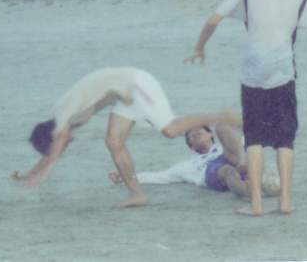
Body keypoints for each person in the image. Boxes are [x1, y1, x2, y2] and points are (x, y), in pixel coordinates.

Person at [187, 0, 307, 216]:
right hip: (283, 70)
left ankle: (255, 204)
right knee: (285, 140)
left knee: (254, 139)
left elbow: (213, 19)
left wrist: (199, 47)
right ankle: (285, 201)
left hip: (254, 72)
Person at [12, 66, 236, 208]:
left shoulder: (63, 116)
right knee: (113, 142)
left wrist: (42, 174)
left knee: (170, 130)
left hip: (136, 84)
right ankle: (137, 195)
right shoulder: (62, 120)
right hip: (122, 96)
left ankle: (221, 116)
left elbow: (56, 146)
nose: (68, 142)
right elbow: (54, 148)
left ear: (53, 134)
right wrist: (30, 173)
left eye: (62, 142)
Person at [108, 121, 280, 199]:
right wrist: (124, 176)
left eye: (200, 130)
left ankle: (250, 171)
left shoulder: (227, 146)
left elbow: (255, 139)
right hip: (213, 169)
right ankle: (251, 192)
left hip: (234, 158)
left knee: (222, 125)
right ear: (191, 146)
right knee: (227, 171)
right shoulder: (187, 165)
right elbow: (158, 176)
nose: (196, 132)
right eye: (191, 134)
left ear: (210, 135)